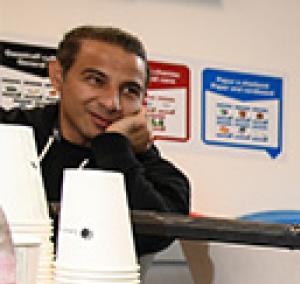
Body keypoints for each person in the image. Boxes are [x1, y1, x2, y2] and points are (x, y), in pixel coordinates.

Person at [0, 25, 190, 256]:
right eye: (96, 80)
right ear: (58, 76)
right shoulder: (10, 132)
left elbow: (151, 237)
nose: (112, 103)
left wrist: (113, 145)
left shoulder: (159, 177)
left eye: (130, 90)